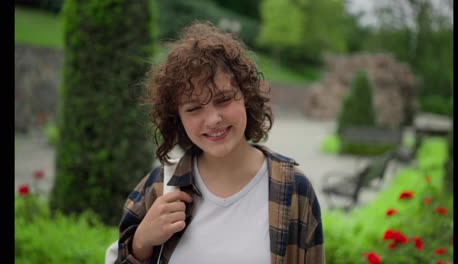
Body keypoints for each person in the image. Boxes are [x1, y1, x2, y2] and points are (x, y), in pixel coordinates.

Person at [115, 21, 325, 264]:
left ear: (246, 96)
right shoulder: (156, 189)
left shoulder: (294, 189)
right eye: (194, 108)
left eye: (224, 99)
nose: (213, 119)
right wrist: (141, 242)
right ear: (178, 119)